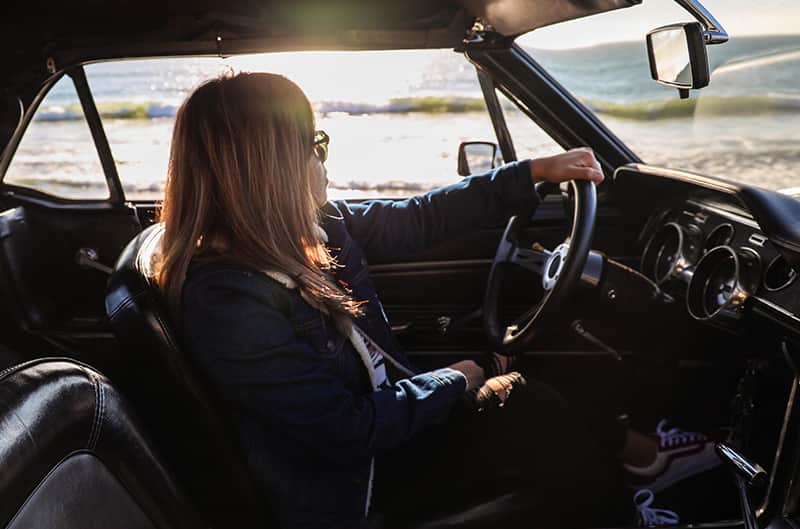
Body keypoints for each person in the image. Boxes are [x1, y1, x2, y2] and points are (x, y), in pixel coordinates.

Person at [155, 72, 720, 529]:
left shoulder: (312, 228)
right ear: (270, 168)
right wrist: (460, 375)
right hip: (358, 483)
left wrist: (532, 173)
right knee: (525, 407)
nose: (322, 158)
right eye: (314, 142)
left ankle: (644, 460)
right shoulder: (229, 296)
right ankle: (624, 509)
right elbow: (346, 435)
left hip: (384, 426)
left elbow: (421, 218)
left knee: (534, 368)